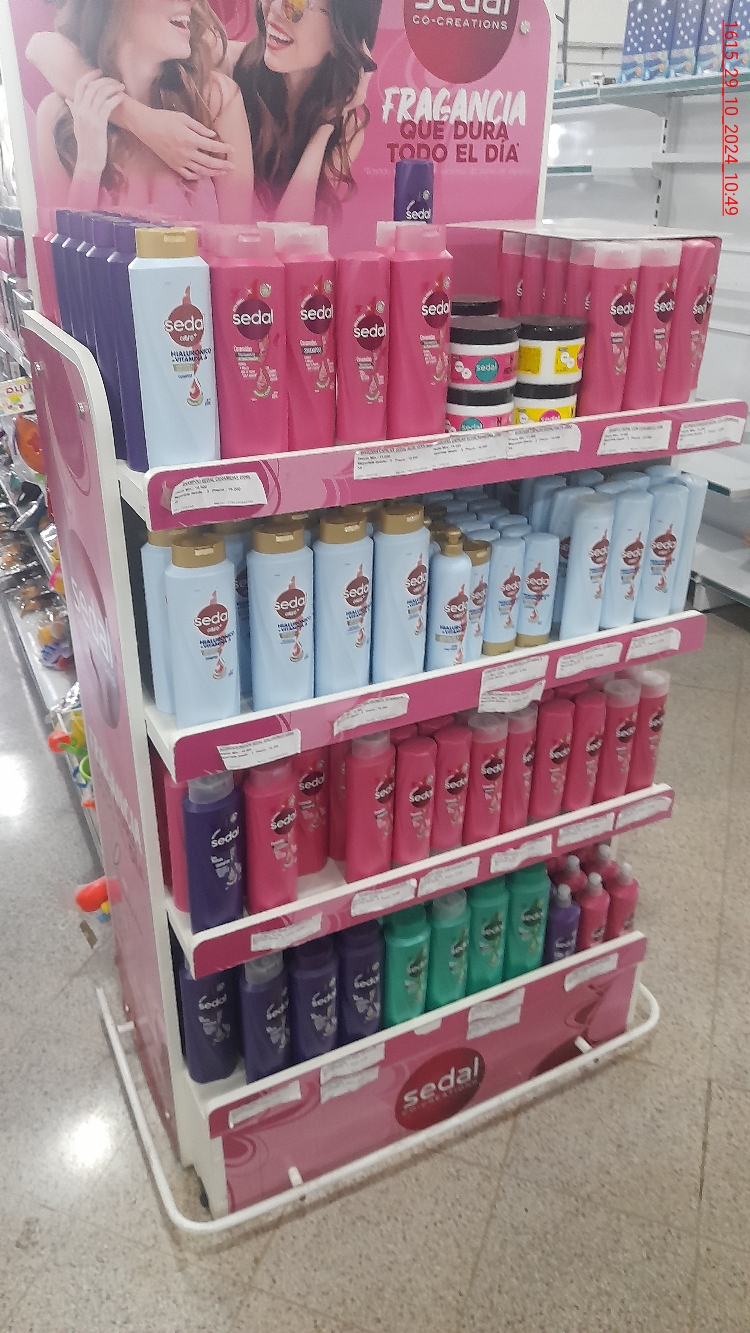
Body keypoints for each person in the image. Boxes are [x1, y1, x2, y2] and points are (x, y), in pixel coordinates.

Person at [29, 0, 255, 221]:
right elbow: (62, 246)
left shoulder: (216, 100)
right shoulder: (57, 117)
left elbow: (239, 237)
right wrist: (88, 167)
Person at [232, 0, 382, 224]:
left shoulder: (345, 129)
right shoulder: (227, 70)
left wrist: (328, 123)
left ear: (340, 34)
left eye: (296, 4)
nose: (274, 10)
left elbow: (292, 233)